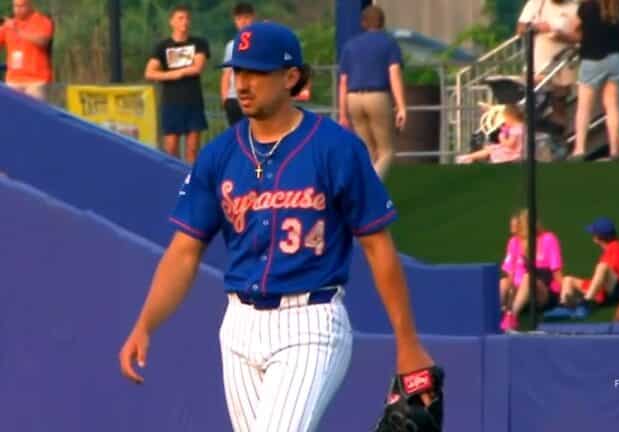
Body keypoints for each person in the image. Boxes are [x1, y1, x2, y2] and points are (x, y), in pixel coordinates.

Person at [118, 21, 436, 431]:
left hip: (311, 321)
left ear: (290, 78)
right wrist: (145, 324)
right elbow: (184, 250)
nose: (243, 83)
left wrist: (407, 343)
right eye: (238, 72)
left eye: (256, 72)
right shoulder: (220, 154)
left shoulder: (336, 148)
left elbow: (378, 247)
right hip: (239, 326)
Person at [338, 5, 406, 179]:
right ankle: (370, 189)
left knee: (368, 150)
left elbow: (343, 82)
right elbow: (394, 74)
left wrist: (343, 113)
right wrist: (401, 106)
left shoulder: (350, 46)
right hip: (377, 96)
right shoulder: (389, 44)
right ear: (382, 23)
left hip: (353, 98)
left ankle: (364, 187)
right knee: (386, 151)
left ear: (363, 23)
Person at [564, 0, 619, 160]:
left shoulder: (587, 7)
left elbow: (572, 29)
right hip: (618, 59)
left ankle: (579, 149)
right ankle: (615, 150)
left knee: (584, 107)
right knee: (613, 107)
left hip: (592, 59)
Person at [145, 5, 210, 163]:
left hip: (193, 101)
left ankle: (191, 182)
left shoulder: (199, 43)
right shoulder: (162, 47)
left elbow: (197, 67)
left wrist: (179, 72)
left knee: (192, 148)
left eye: (187, 18)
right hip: (172, 102)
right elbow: (150, 72)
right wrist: (172, 74)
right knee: (171, 147)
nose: (184, 22)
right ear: (172, 22)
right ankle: (172, 181)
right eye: (180, 18)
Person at [516, 0, 579, 131]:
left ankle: (558, 139)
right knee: (532, 104)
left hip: (562, 63)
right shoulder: (536, 4)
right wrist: (537, 27)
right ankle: (527, 139)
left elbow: (580, 37)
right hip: (537, 64)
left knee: (559, 104)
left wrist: (563, 36)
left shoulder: (574, 7)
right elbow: (520, 29)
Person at [498, 209, 563, 332]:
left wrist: (563, 294)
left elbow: (556, 272)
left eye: (518, 225)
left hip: (544, 292)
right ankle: (495, 314)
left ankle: (512, 316)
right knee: (503, 282)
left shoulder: (548, 239)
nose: (515, 229)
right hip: (521, 293)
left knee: (528, 278)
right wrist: (510, 294)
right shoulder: (514, 242)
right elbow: (510, 274)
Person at [560, 217, 619, 316]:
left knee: (602, 267)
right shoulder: (610, 248)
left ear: (599, 237)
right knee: (568, 280)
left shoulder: (616, 248)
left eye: (594, 233)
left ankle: (586, 303)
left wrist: (589, 296)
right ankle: (566, 308)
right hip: (608, 288)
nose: (592, 235)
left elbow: (607, 275)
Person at [0, 0, 54, 101]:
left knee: (35, 114)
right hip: (13, 79)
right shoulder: (9, 25)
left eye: (21, 6)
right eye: (15, 6)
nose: (18, 10)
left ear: (30, 5)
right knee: (13, 114)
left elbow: (43, 41)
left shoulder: (42, 21)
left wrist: (18, 31)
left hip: (36, 80)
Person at [221, 3, 256, 127]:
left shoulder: (260, 42)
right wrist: (225, 98)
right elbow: (226, 73)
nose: (243, 22)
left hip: (254, 97)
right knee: (237, 136)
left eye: (246, 17)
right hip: (233, 98)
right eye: (239, 18)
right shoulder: (231, 45)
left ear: (253, 18)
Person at [455, 104, 524, 164]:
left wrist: (502, 137)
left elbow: (509, 145)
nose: (505, 122)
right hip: (517, 153)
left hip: (513, 155)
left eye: (505, 119)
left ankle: (468, 157)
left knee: (492, 150)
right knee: (491, 148)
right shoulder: (522, 127)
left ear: (510, 117)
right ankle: (469, 157)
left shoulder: (516, 129)